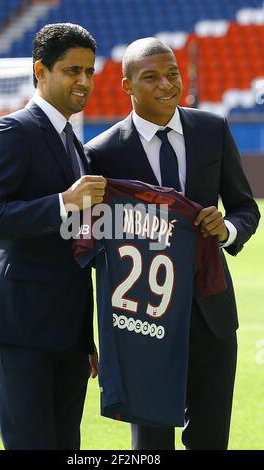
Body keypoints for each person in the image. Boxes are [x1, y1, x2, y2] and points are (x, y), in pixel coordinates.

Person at [84, 37, 260, 450]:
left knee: (211, 440)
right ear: (126, 85)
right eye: (151, 77)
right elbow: (92, 248)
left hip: (210, 313)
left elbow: (244, 208)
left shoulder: (211, 129)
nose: (166, 84)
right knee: (151, 445)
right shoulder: (101, 154)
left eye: (172, 73)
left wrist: (227, 229)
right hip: (144, 320)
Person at [0, 23, 106, 450]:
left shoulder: (76, 146)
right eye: (71, 70)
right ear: (40, 72)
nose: (83, 80)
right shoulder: (13, 131)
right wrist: (63, 201)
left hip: (67, 336)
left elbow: (74, 251)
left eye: (88, 71)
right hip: (21, 331)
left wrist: (85, 337)